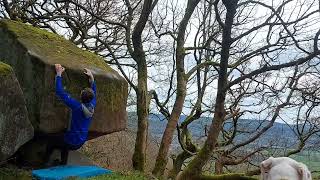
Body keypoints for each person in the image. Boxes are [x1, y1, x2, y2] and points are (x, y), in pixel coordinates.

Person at [43, 64, 97, 165]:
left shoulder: (77, 107)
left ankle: (43, 163)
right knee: (65, 137)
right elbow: (94, 92)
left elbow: (60, 92)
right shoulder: (92, 106)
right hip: (80, 142)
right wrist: (91, 78)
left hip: (71, 142)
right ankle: (63, 163)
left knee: (51, 141)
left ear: (81, 96)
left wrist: (58, 74)